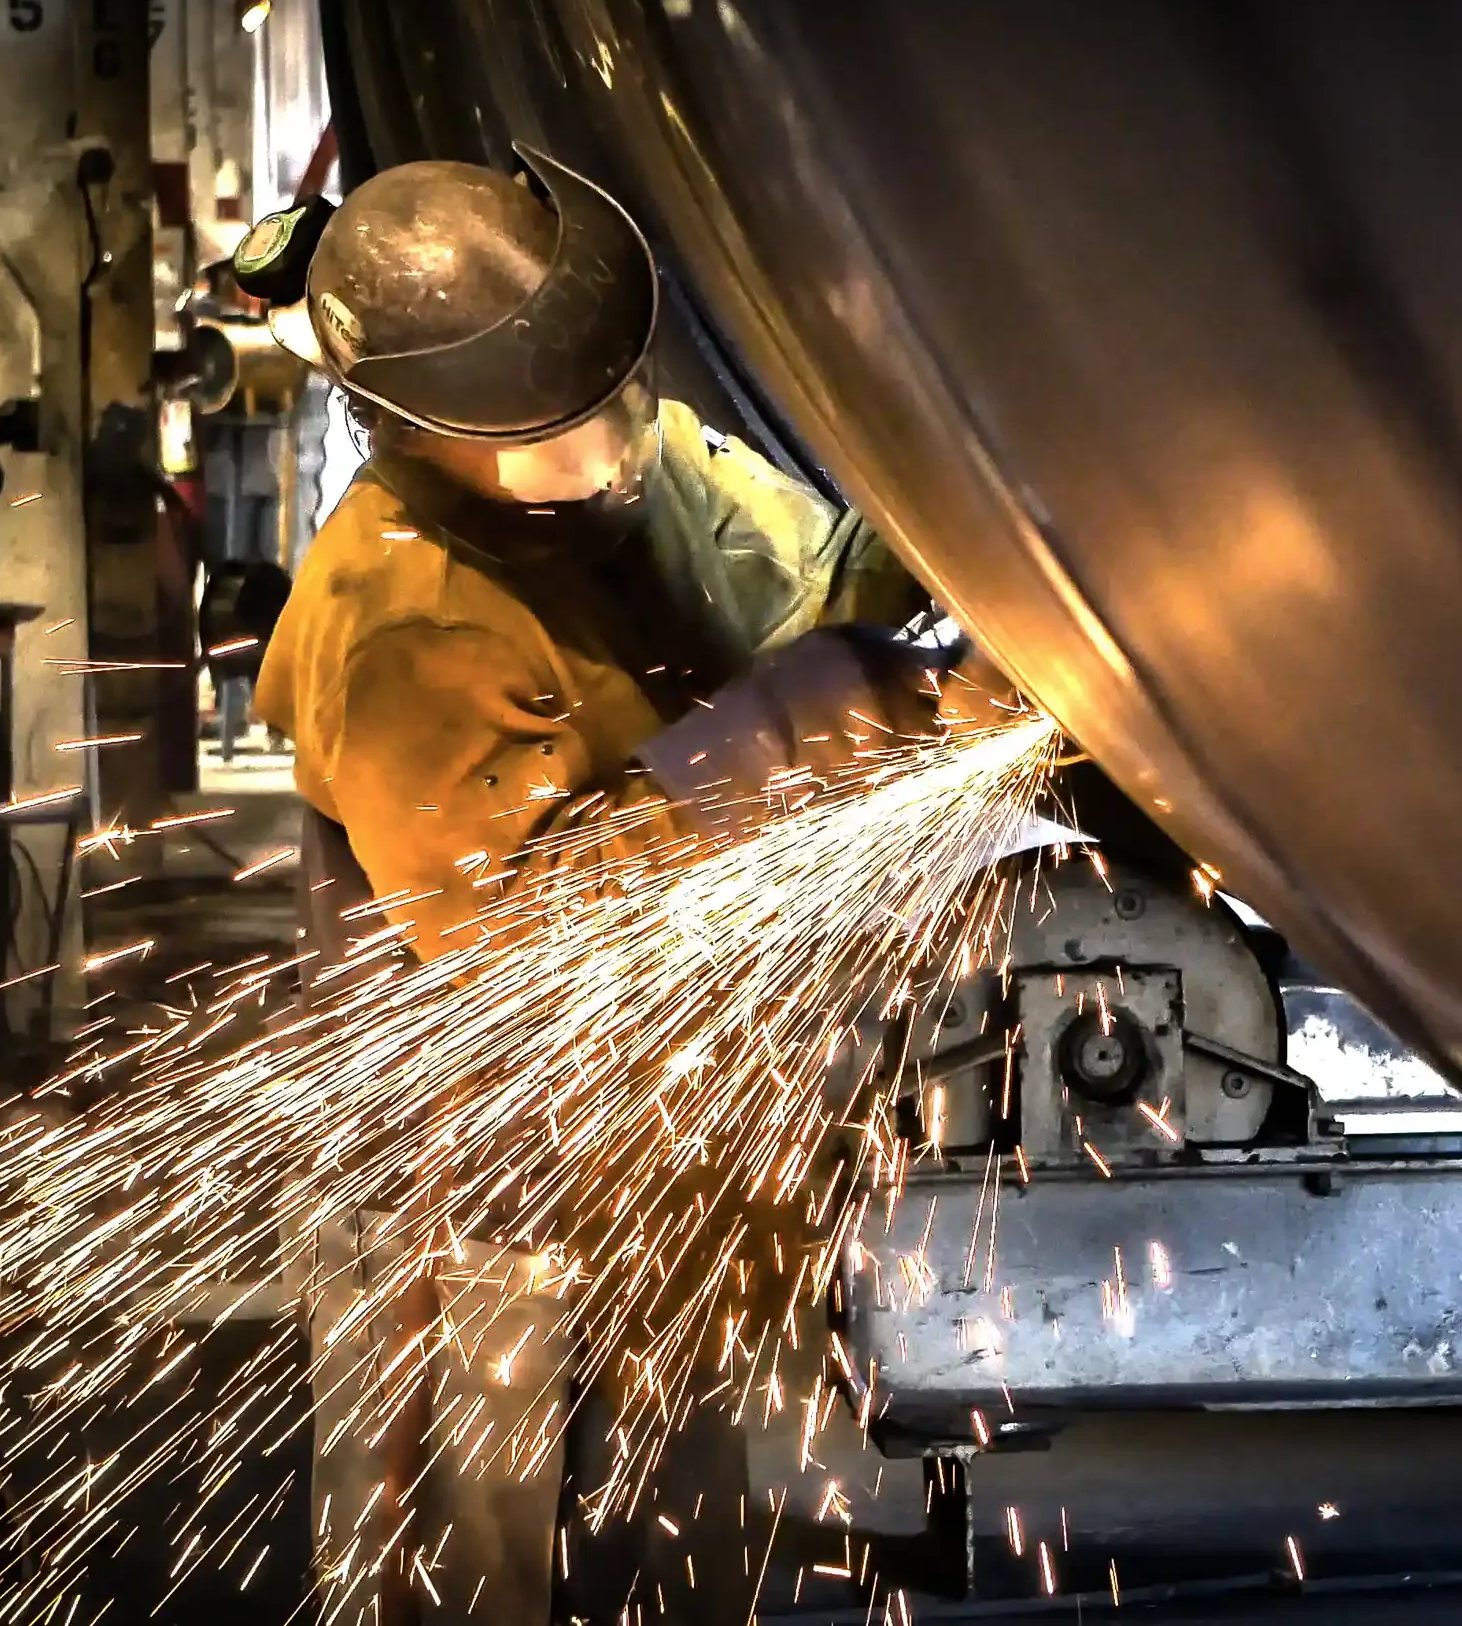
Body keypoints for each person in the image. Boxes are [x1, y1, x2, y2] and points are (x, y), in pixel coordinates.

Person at [234, 144, 1003, 1622]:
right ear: (420, 431)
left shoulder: (632, 461)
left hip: (671, 1149)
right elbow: (525, 941)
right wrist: (791, 734)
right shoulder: (401, 620)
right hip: (472, 1190)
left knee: (687, 1545)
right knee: (477, 1565)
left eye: (608, 398)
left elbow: (818, 587)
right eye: (551, 426)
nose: (602, 448)